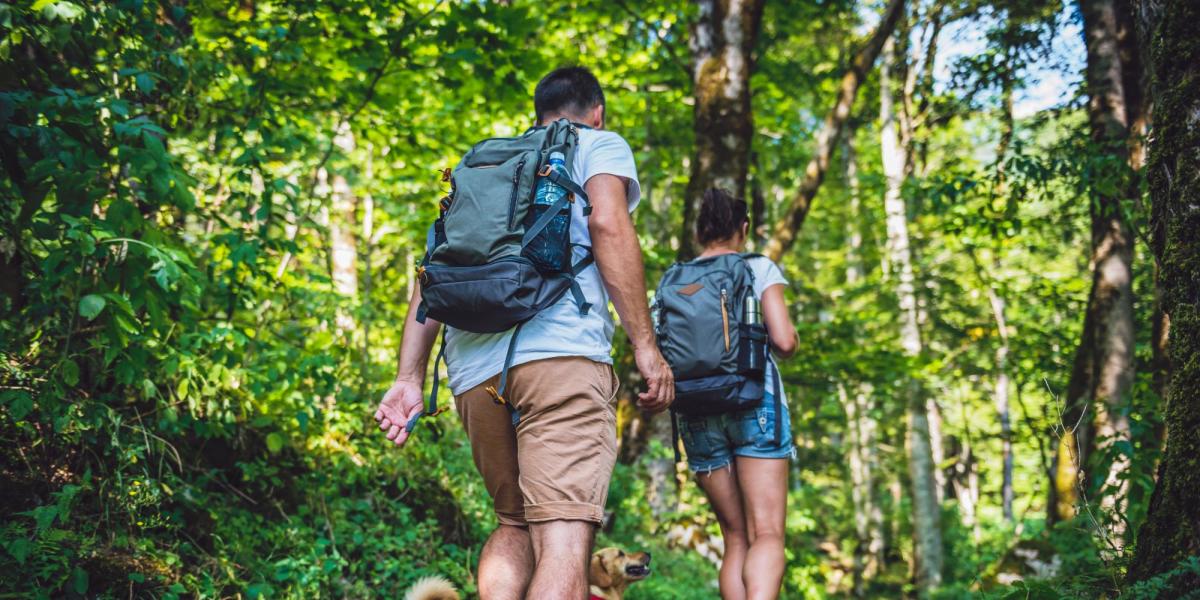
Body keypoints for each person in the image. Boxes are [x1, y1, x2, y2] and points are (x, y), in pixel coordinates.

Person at [373, 66, 674, 600]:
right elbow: (608, 224)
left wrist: (408, 377)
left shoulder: (488, 164)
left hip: (474, 370)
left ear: (537, 113)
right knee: (563, 536)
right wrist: (646, 346)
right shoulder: (597, 143)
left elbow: (433, 268)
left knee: (513, 522)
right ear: (597, 113)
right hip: (560, 357)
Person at [679, 188, 797, 600]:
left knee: (734, 536)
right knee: (766, 533)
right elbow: (784, 340)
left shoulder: (678, 278)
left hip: (695, 410)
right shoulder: (757, 267)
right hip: (754, 401)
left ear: (699, 232)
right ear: (743, 229)